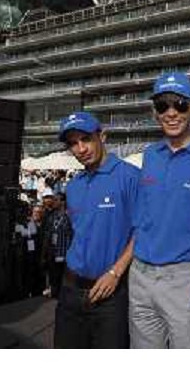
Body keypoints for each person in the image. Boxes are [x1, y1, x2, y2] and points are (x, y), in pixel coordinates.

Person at [129, 72, 190, 349]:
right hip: (140, 274)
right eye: (162, 105)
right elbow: (143, 218)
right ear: (154, 111)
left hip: (183, 277)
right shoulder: (150, 155)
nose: (171, 113)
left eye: (179, 104)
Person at [54, 111, 139, 349]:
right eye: (73, 143)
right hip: (70, 290)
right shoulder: (73, 186)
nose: (80, 149)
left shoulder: (130, 177)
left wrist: (115, 272)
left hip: (111, 295)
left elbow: (142, 230)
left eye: (85, 139)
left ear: (102, 136)